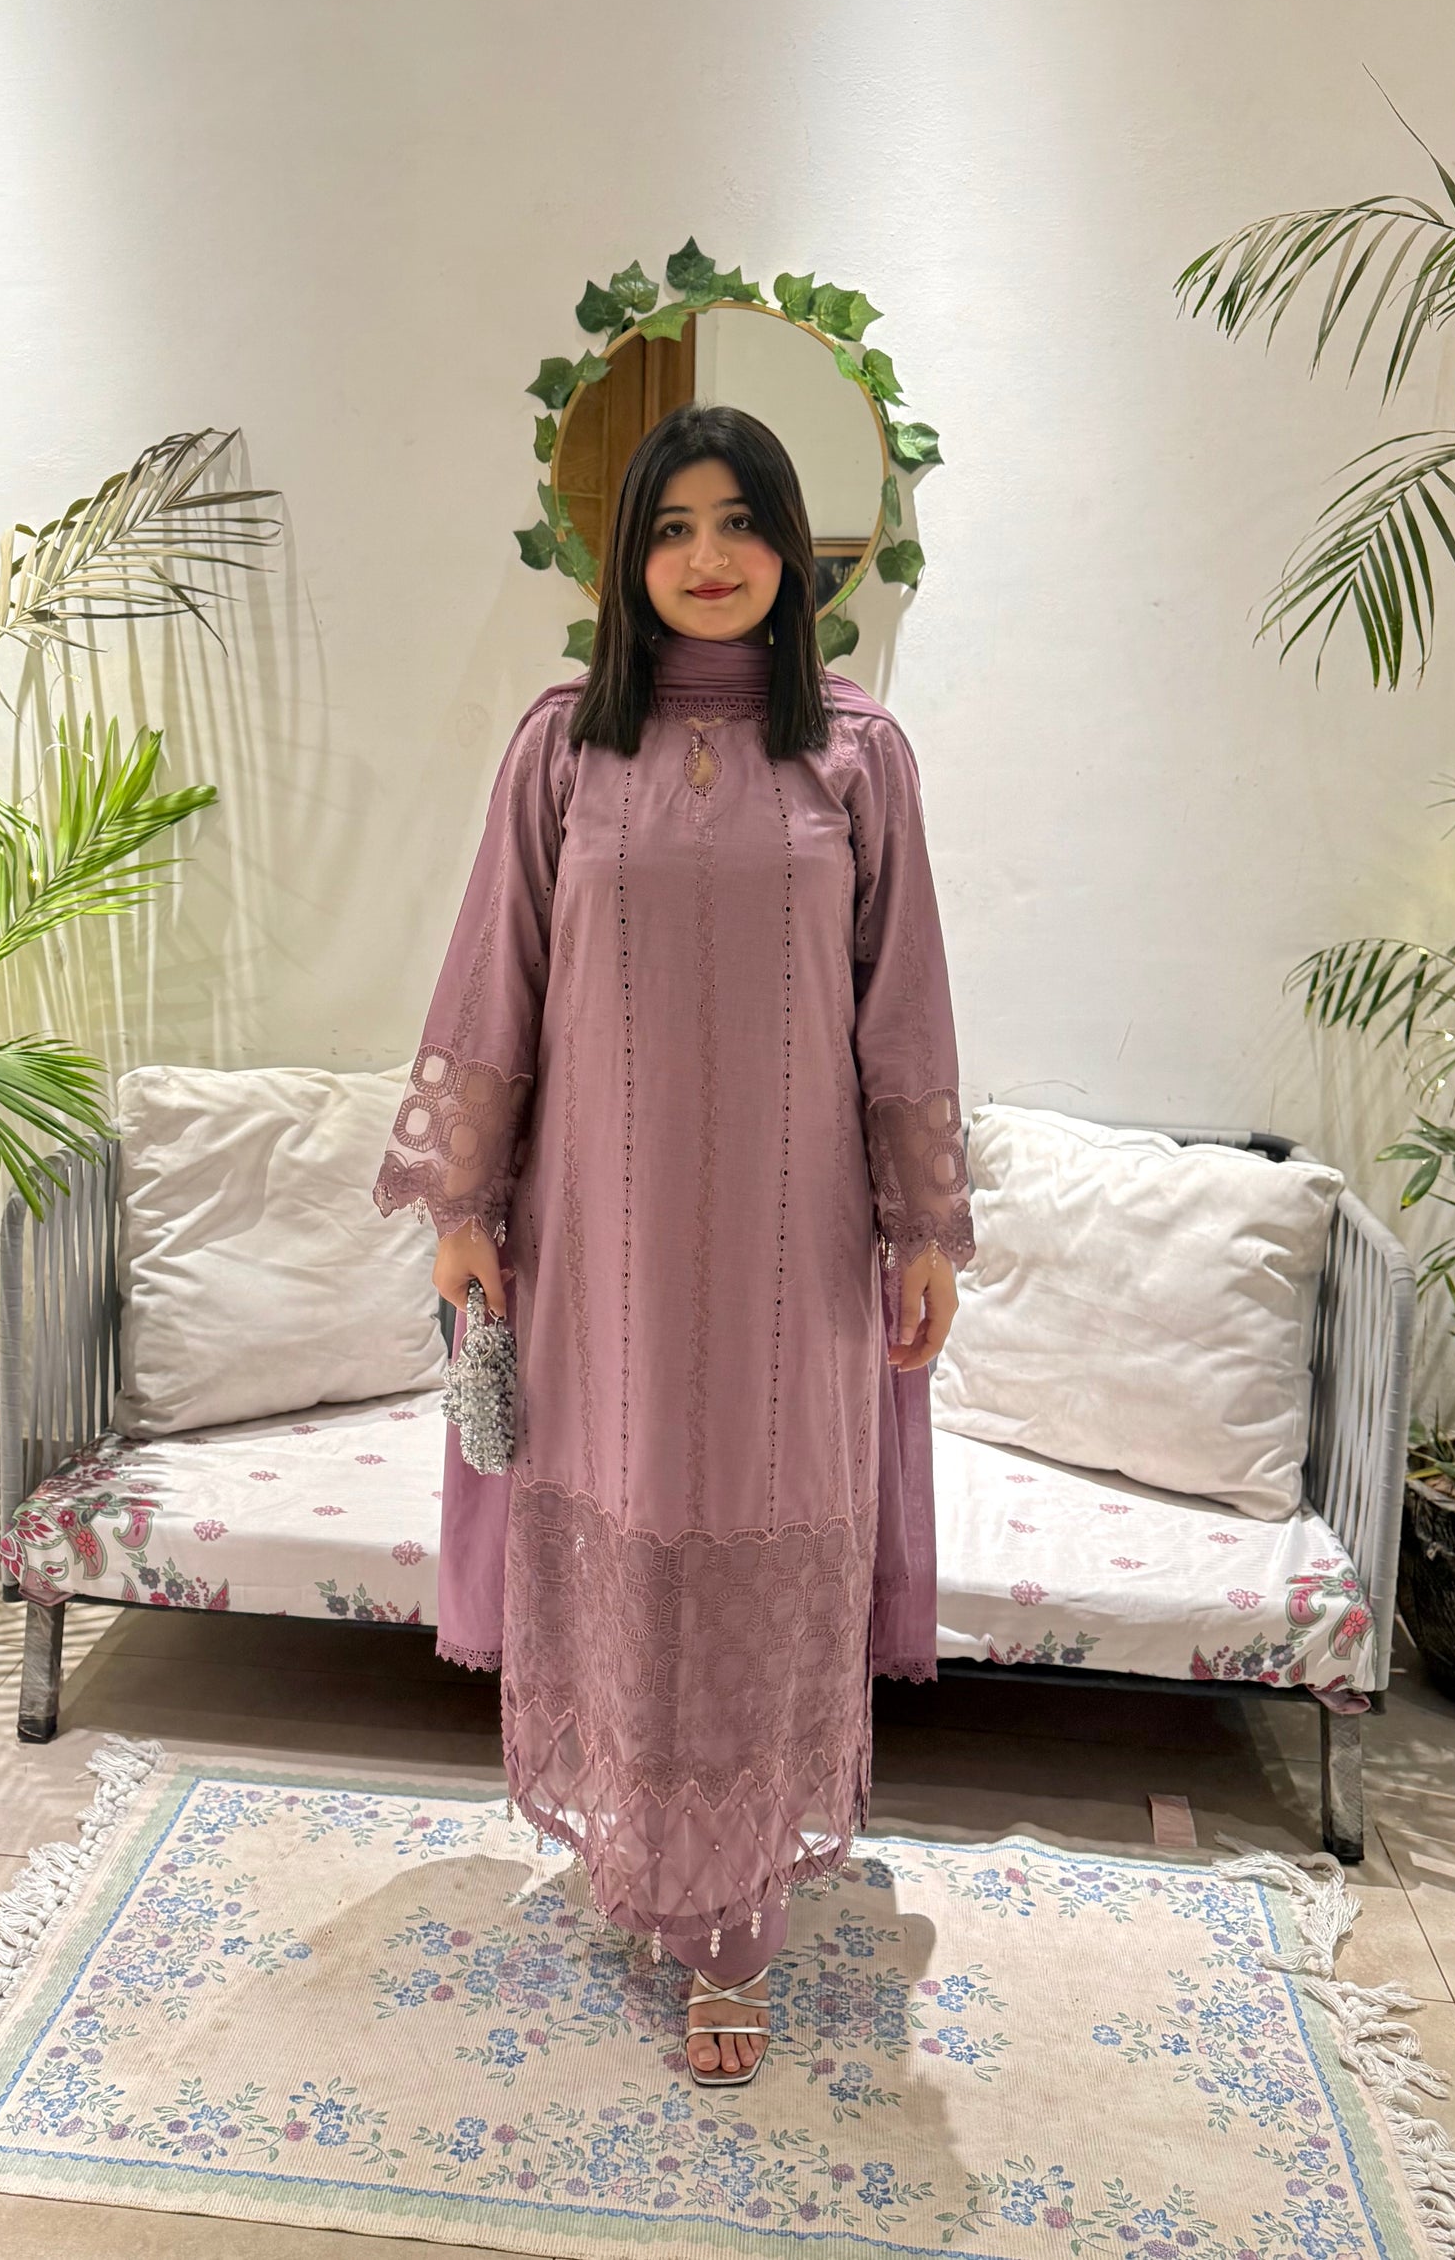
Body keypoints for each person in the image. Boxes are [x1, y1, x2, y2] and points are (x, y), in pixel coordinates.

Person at [373, 402, 972, 2087]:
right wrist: (463, 1211)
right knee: (633, 1531)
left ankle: (731, 1931)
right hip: (600, 1255)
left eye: (740, 523)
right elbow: (495, 980)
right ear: (624, 558)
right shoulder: (564, 749)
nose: (708, 557)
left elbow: (903, 1007)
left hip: (795, 1264)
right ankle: (650, 1851)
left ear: (794, 550)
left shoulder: (855, 755)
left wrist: (922, 1229)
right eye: (671, 528)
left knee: (756, 1535)